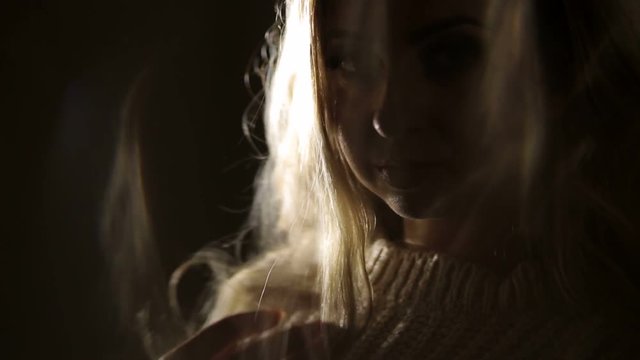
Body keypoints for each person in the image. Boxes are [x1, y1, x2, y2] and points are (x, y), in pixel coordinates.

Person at [107, 0, 640, 358]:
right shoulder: (273, 308)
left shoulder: (604, 334)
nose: (387, 115)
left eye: (450, 55)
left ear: (562, 62)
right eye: (347, 60)